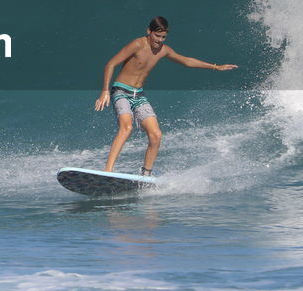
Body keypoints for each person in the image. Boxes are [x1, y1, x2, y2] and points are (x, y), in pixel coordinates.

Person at [94, 16, 236, 175]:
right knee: (126, 127)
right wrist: (105, 91)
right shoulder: (137, 44)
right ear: (149, 31)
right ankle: (108, 171)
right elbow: (111, 64)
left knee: (156, 134)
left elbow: (187, 61)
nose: (159, 40)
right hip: (121, 91)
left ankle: (146, 174)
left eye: (163, 37)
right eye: (157, 36)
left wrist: (216, 67)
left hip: (139, 95)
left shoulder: (164, 50)